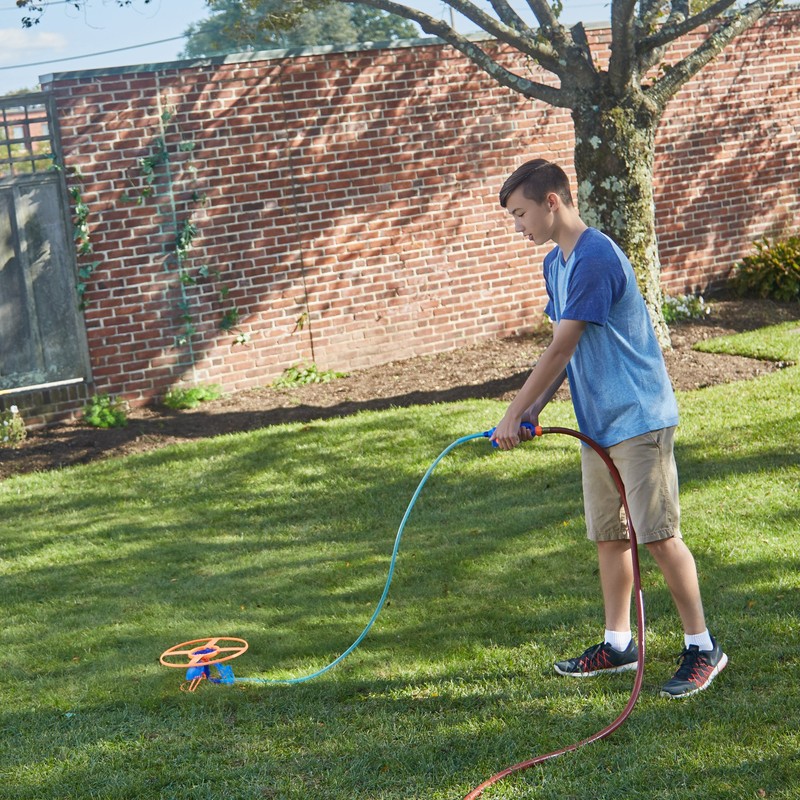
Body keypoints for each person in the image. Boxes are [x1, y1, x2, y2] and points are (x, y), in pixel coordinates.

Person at [491, 158, 727, 699]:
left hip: (639, 419)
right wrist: (532, 412)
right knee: (610, 536)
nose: (518, 226)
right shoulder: (556, 263)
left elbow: (560, 347)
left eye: (521, 214)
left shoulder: (596, 255)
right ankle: (618, 644)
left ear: (552, 202)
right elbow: (566, 357)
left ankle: (702, 647)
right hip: (598, 423)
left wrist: (513, 410)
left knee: (659, 536)